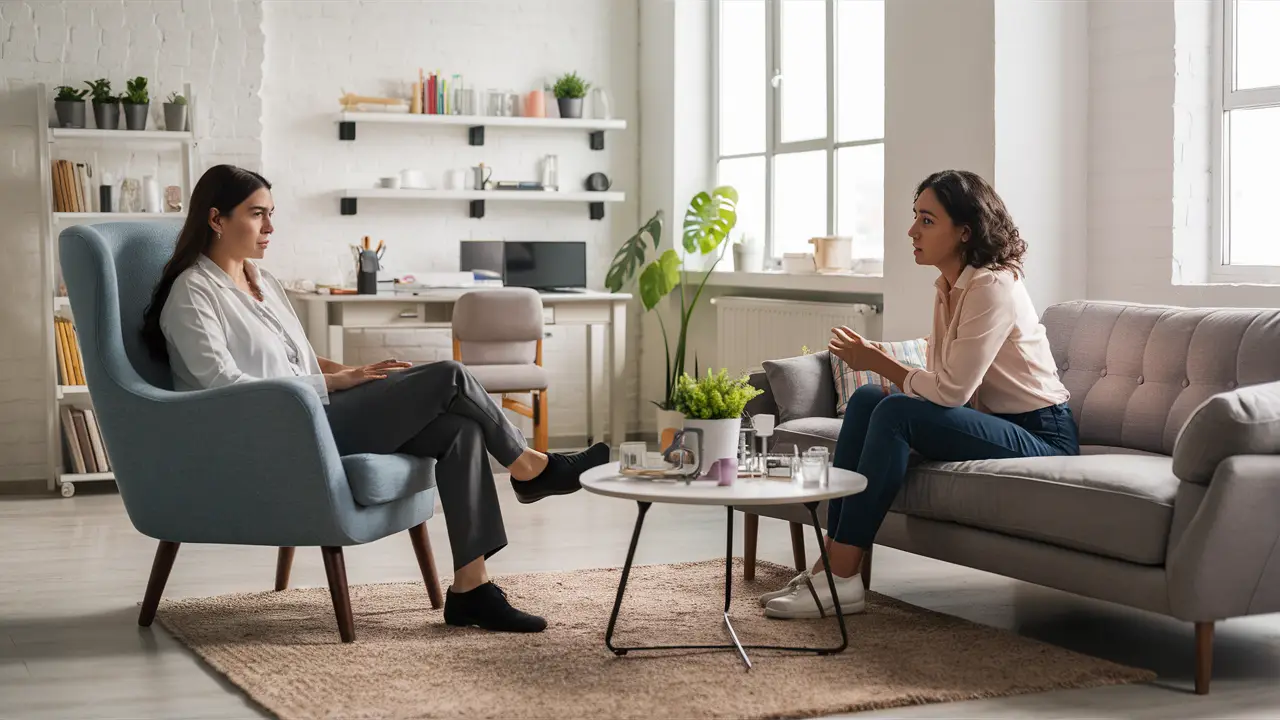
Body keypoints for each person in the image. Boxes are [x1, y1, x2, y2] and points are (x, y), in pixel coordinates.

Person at [140, 164, 609, 633]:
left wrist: (348, 372)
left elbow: (297, 359)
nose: (270, 227)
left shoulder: (262, 281)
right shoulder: (192, 293)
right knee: (449, 374)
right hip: (274, 431)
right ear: (217, 219)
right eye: (257, 214)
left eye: (271, 214)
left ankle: (472, 588)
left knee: (461, 431)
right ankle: (529, 467)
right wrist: (335, 385)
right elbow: (226, 387)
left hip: (314, 412)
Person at [759, 169, 1079, 619]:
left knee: (893, 412)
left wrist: (876, 359)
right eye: (915, 217)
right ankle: (832, 564)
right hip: (998, 422)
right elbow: (941, 378)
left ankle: (842, 575)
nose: (912, 231)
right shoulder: (949, 285)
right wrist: (886, 377)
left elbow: (950, 390)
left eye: (926, 220)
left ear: (964, 231)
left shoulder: (992, 285)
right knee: (871, 401)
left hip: (1043, 435)